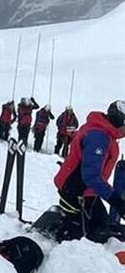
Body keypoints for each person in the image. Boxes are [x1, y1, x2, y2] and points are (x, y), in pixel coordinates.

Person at [51, 100, 125, 243]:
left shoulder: (104, 133)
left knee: (103, 227)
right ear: (118, 121)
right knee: (81, 238)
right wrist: (116, 200)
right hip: (75, 190)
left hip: (88, 191)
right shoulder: (99, 137)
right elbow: (91, 176)